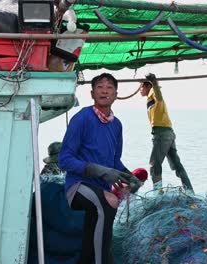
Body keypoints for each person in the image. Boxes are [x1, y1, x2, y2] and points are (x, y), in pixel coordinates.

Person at [59, 72, 140, 264]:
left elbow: (114, 162)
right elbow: (64, 159)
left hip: (100, 189)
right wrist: (99, 171)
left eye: (110, 87)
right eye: (100, 87)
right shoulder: (82, 118)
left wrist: (130, 177)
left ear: (116, 94)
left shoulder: (117, 125)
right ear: (92, 93)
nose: (105, 90)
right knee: (108, 202)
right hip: (77, 186)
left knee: (96, 223)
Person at [139, 73, 194, 192]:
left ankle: (158, 194)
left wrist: (154, 82)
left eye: (141, 87)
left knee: (154, 165)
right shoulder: (149, 100)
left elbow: (159, 96)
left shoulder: (154, 93)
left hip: (162, 133)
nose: (140, 90)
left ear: (147, 87)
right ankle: (190, 191)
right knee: (176, 165)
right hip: (168, 133)